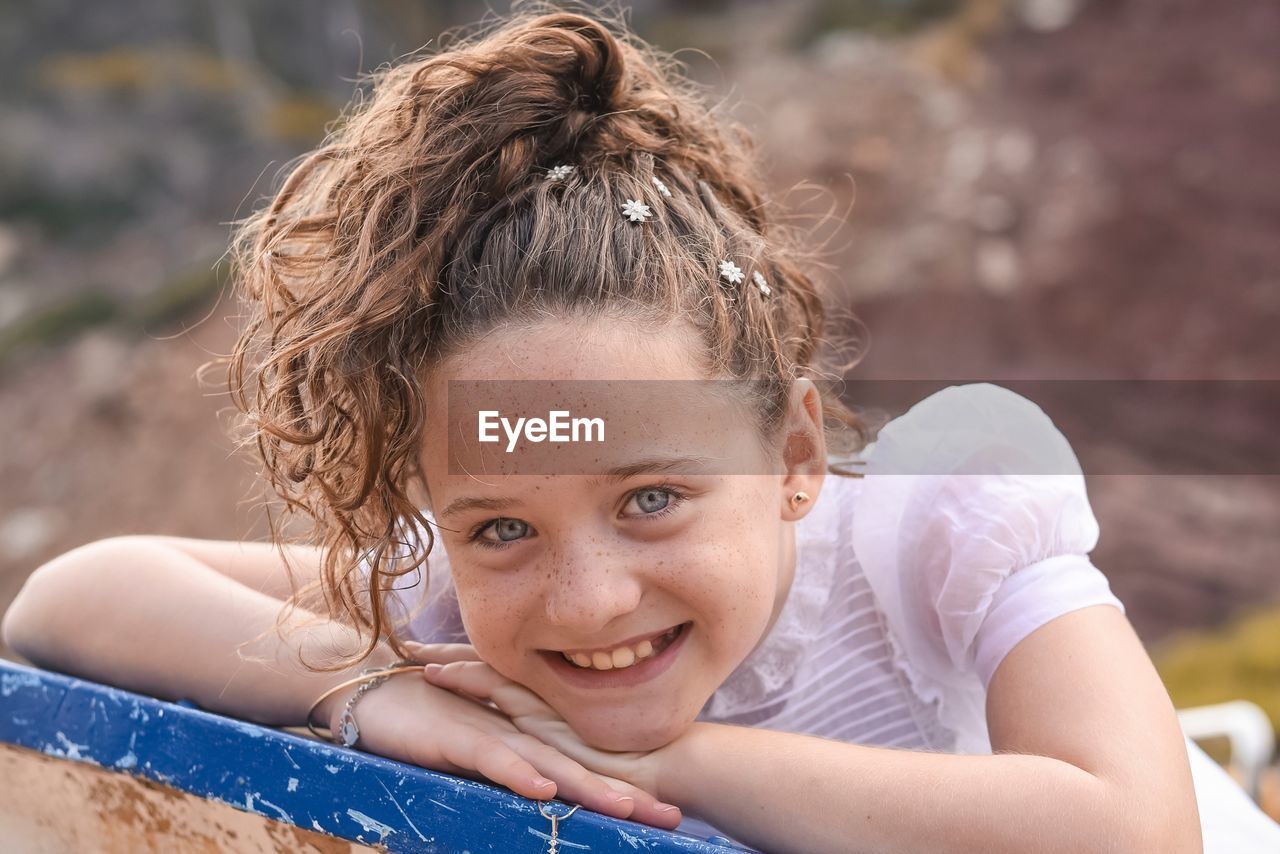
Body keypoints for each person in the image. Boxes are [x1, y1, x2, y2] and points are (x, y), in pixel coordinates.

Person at [4, 5, 1278, 852]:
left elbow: (1127, 827)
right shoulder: (465, 599)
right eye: (500, 521)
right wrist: (376, 692)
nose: (586, 597)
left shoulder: (938, 527)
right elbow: (75, 598)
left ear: (788, 456)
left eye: (652, 497)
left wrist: (686, 758)